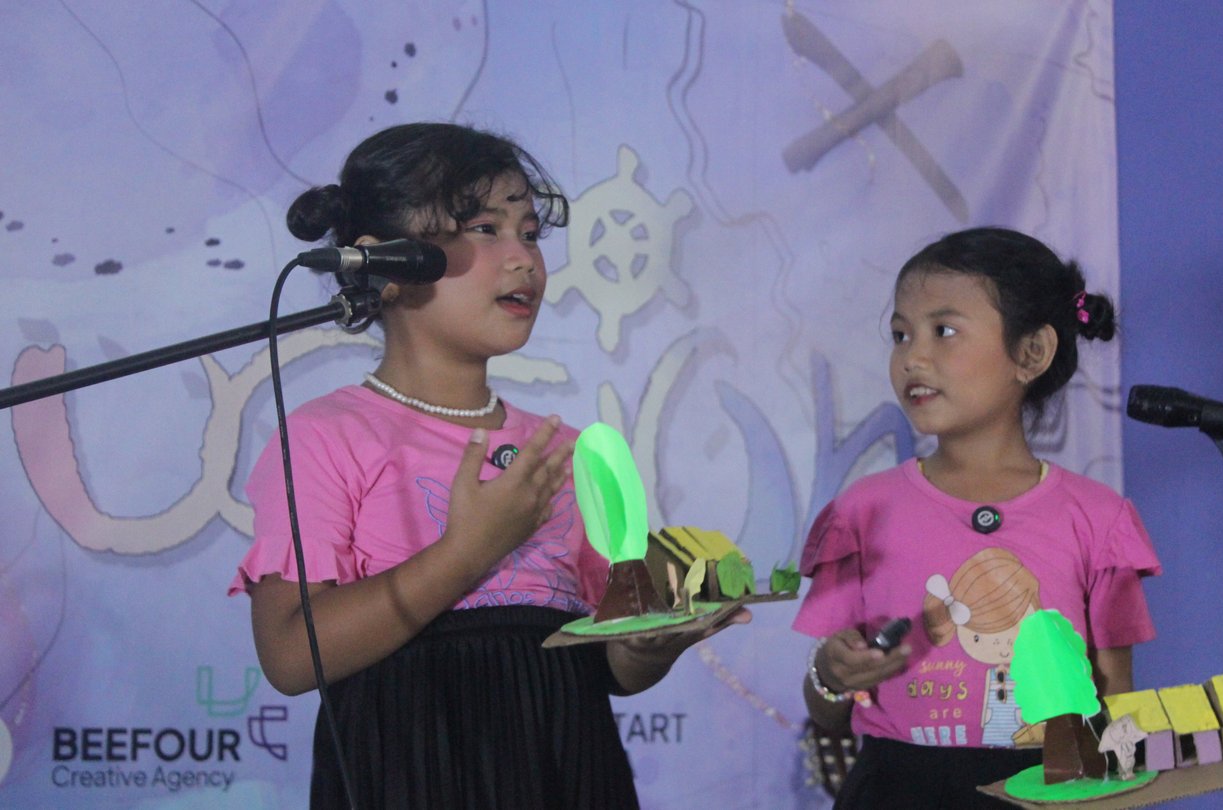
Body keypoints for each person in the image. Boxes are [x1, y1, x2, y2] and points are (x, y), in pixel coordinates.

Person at [228, 122, 746, 810]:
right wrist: (468, 551)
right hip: (414, 766)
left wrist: (649, 646)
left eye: (529, 233)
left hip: (568, 765)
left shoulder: (561, 451)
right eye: (483, 229)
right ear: (388, 267)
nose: (523, 259)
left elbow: (606, 661)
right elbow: (292, 657)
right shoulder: (327, 436)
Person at [792, 227, 1161, 807]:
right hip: (893, 791)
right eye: (900, 334)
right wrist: (832, 676)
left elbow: (1114, 706)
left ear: (1031, 353)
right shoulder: (862, 511)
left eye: (943, 331)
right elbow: (826, 711)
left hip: (1051, 788)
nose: (912, 357)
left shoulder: (1097, 518)